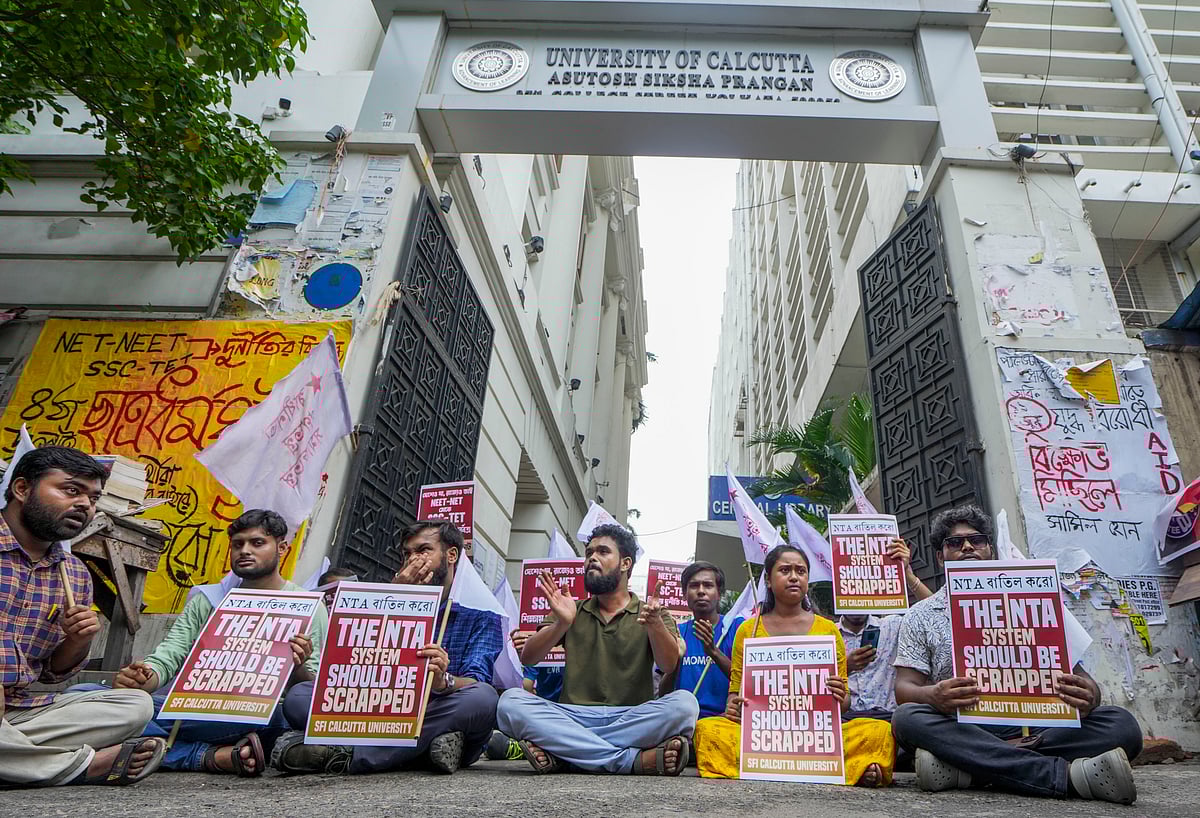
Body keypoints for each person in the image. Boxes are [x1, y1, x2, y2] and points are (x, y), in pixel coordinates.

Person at [892, 504, 1143, 804]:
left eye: (977, 540)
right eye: (955, 543)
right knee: (907, 719)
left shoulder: (1034, 599)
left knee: (1122, 725)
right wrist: (933, 695)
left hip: (1039, 726)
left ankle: (970, 770)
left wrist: (1090, 694)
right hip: (964, 726)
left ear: (991, 550)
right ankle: (1067, 777)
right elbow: (904, 688)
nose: (968, 547)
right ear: (940, 556)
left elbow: (1084, 682)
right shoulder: (920, 615)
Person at [93, 509, 327, 776]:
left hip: (262, 714)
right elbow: (169, 656)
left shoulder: (308, 607)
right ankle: (206, 755)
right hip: (195, 708)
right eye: (237, 545)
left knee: (102, 717)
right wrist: (142, 678)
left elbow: (309, 692)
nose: (245, 551)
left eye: (257, 543)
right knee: (85, 695)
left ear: (282, 548)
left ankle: (174, 749)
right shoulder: (209, 599)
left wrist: (297, 665)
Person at [274, 520, 502, 775]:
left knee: (483, 698)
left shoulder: (483, 614)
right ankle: (421, 750)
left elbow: (475, 680)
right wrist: (396, 598)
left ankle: (349, 754)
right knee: (298, 697)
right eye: (407, 553)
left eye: (423, 550)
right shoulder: (390, 593)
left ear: (451, 555)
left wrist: (443, 681)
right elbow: (351, 667)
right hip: (382, 706)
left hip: (437, 706)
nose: (413, 559)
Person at [1, 446, 163, 787]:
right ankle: (81, 765)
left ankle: (16, 758)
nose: (84, 505)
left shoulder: (72, 573)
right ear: (22, 489)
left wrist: (77, 641)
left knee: (135, 706)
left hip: (19, 714)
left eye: (93, 498)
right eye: (70, 490)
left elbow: (52, 673)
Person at [497, 523, 699, 775]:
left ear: (625, 563)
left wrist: (655, 625)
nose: (592, 558)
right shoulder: (571, 609)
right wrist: (562, 623)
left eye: (603, 552)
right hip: (572, 715)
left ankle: (567, 753)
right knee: (509, 703)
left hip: (631, 716)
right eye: (589, 553)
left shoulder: (652, 613)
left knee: (685, 705)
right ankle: (629, 761)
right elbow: (529, 657)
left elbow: (669, 665)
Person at [694, 544, 896, 786]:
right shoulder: (749, 630)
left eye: (800, 571)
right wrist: (735, 707)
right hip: (763, 737)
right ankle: (851, 768)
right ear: (768, 579)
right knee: (708, 729)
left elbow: (843, 705)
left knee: (878, 731)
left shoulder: (828, 630)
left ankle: (763, 767)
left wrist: (840, 695)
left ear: (807, 580)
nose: (793, 577)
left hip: (817, 738)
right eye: (785, 570)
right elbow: (734, 695)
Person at [839, 537, 932, 720]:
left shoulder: (892, 625)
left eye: (862, 588)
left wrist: (908, 575)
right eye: (850, 588)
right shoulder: (829, 634)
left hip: (891, 720)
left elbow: (935, 614)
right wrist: (845, 667)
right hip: (847, 723)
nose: (856, 596)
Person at [660, 561, 742, 720]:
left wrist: (713, 652)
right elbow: (663, 693)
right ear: (684, 593)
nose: (701, 591)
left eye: (708, 585)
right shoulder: (676, 633)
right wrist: (676, 661)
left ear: (720, 593)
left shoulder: (737, 628)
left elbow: (747, 682)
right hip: (684, 723)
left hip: (727, 721)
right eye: (694, 586)